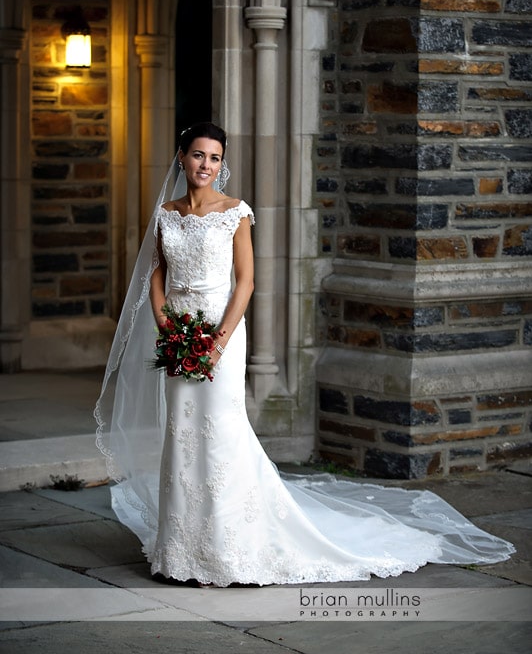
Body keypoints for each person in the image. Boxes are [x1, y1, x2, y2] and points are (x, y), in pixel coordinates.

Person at [95, 121, 515, 587]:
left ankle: (229, 548)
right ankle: (182, 551)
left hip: (221, 335)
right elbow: (156, 275)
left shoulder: (235, 213)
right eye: (197, 156)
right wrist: (167, 327)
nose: (205, 166)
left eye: (214, 158)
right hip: (177, 335)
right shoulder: (167, 215)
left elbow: (247, 282)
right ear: (181, 158)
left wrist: (217, 343)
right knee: (181, 431)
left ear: (222, 164)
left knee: (221, 432)